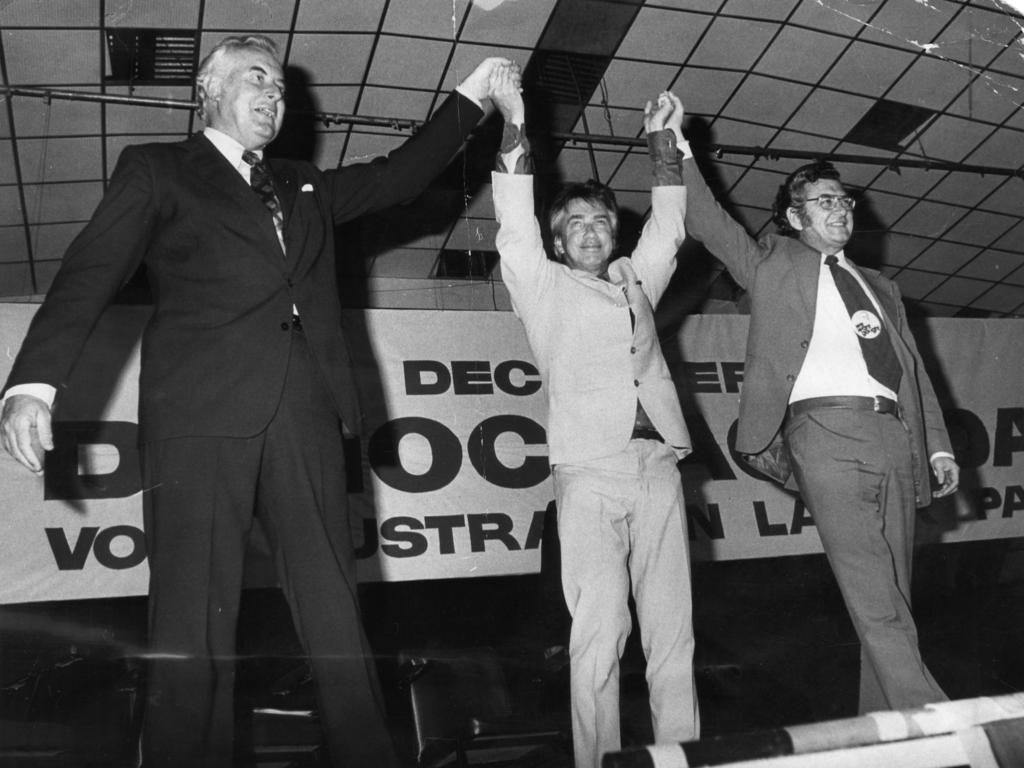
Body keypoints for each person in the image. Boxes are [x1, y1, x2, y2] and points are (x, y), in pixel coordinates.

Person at [0, 34, 511, 768]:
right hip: (200, 417)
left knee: (335, 610)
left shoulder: (304, 182)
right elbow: (90, 270)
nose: (274, 94)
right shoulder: (158, 170)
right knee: (192, 619)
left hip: (303, 411)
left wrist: (474, 96)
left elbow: (401, 176)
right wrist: (32, 383)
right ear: (206, 91)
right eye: (255, 79)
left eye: (280, 85)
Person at [673, 92, 959, 715]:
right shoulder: (771, 263)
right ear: (794, 216)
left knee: (893, 593)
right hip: (822, 434)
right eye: (825, 202)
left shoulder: (881, 287)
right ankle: (928, 708)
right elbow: (706, 218)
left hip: (893, 437)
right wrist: (672, 143)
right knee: (869, 584)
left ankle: (883, 724)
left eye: (844, 200)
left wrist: (935, 444)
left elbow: (915, 375)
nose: (841, 210)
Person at [489, 67, 699, 768]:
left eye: (601, 220)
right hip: (588, 472)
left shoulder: (636, 280)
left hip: (659, 465)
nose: (589, 230)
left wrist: (663, 144)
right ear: (557, 241)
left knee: (674, 636)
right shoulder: (542, 285)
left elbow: (668, 230)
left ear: (614, 233)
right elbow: (515, 224)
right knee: (599, 634)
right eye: (574, 223)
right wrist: (515, 121)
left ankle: (683, 757)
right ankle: (596, 762)